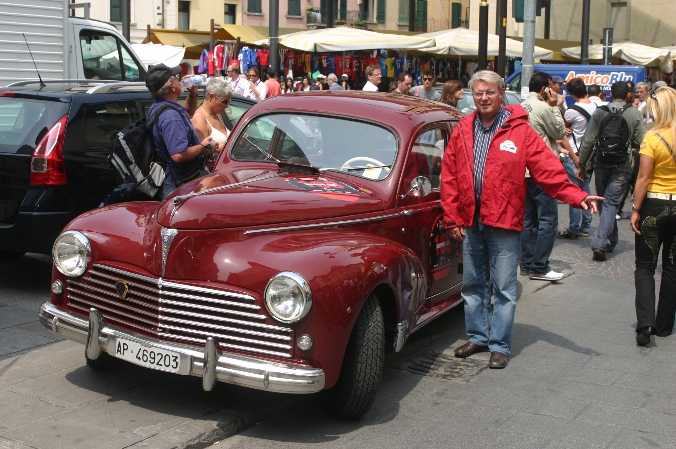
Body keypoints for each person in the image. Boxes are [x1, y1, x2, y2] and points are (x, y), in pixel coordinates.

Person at [441, 70, 601, 369]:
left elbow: (548, 170)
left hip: (503, 221)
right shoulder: (463, 128)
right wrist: (452, 218)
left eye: (490, 92)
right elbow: (449, 175)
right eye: (478, 93)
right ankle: (478, 336)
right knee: (473, 285)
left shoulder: (520, 130)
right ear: (472, 95)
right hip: (470, 221)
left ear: (502, 94)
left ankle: (499, 345)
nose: (484, 98)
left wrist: (578, 196)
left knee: (503, 287)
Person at [577, 81, 645, 262]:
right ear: (628, 96)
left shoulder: (600, 112)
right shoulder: (634, 113)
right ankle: (602, 242)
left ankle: (607, 240)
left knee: (605, 202)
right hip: (622, 166)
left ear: (610, 95)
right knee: (611, 203)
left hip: (601, 163)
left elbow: (588, 140)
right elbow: (641, 141)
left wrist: (582, 165)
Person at [631, 86, 676, 346]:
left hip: (654, 208)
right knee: (672, 266)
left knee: (645, 266)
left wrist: (635, 210)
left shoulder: (652, 138)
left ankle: (646, 323)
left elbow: (644, 177)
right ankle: (665, 324)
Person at [520, 71, 567, 281]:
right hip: (543, 170)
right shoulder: (543, 107)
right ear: (544, 89)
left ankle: (528, 263)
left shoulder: (521, 106)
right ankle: (540, 266)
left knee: (528, 219)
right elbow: (559, 132)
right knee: (548, 219)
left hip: (524, 170)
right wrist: (555, 106)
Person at [146, 64, 217, 199]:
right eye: (177, 79)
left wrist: (193, 93)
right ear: (173, 86)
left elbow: (188, 113)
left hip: (177, 181)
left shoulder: (160, 107)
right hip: (179, 183)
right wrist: (203, 147)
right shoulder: (170, 116)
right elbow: (178, 155)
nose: (181, 81)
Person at [558, 77, 597, 240]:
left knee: (574, 191)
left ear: (572, 93)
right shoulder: (596, 106)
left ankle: (574, 228)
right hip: (590, 155)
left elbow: (561, 128)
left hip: (574, 153)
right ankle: (586, 226)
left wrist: (559, 105)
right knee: (586, 188)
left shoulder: (572, 110)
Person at [191, 77, 231, 148]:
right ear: (211, 97)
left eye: (228, 102)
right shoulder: (199, 119)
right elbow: (204, 151)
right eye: (224, 101)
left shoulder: (218, 115)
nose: (227, 106)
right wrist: (232, 146)